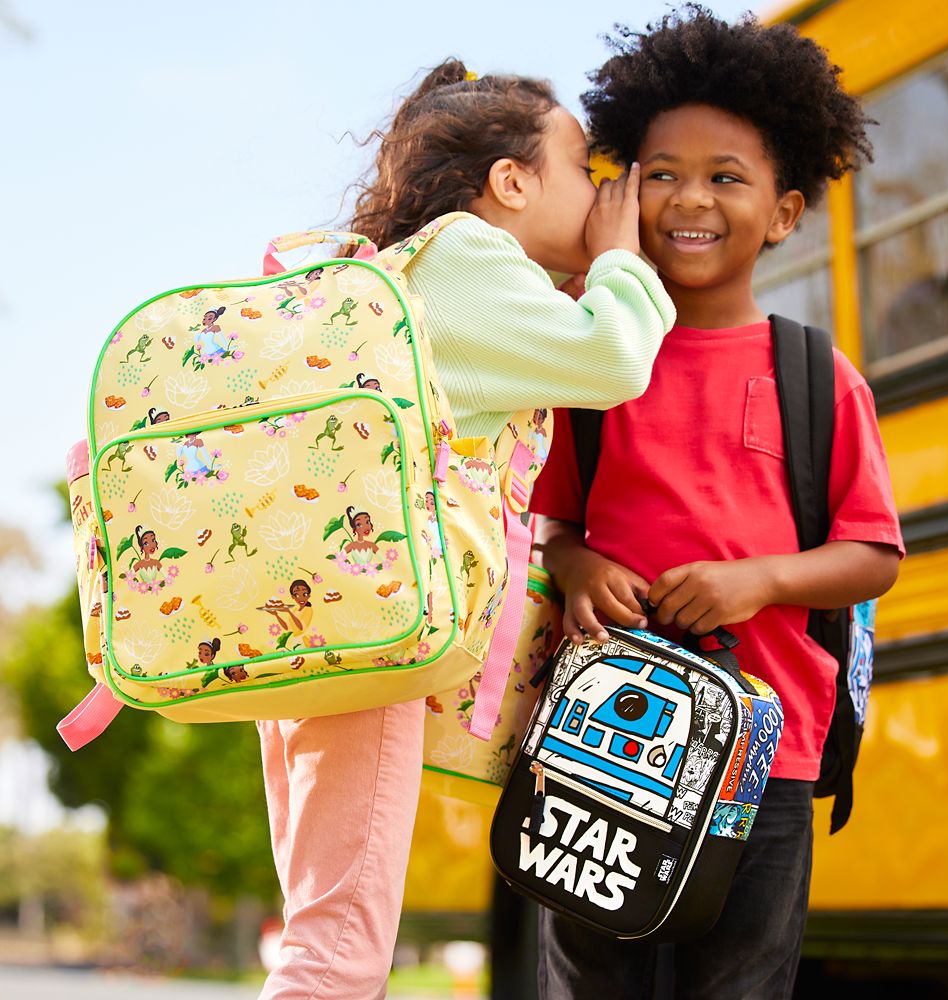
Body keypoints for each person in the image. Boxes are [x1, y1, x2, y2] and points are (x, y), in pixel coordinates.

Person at [255, 59, 676, 1000]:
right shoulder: (466, 258)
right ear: (512, 182)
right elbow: (612, 357)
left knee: (321, 919)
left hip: (311, 621)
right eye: (581, 166)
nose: (604, 192)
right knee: (340, 942)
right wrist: (623, 259)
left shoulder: (401, 267)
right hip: (368, 639)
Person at [529, 8, 905, 999]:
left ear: (783, 212)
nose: (689, 198)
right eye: (661, 173)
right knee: (587, 984)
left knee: (739, 985)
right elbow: (546, 520)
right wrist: (574, 565)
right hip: (595, 748)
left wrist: (761, 581)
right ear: (623, 195)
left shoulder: (817, 375)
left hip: (763, 764)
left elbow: (872, 551)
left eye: (725, 177)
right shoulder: (591, 357)